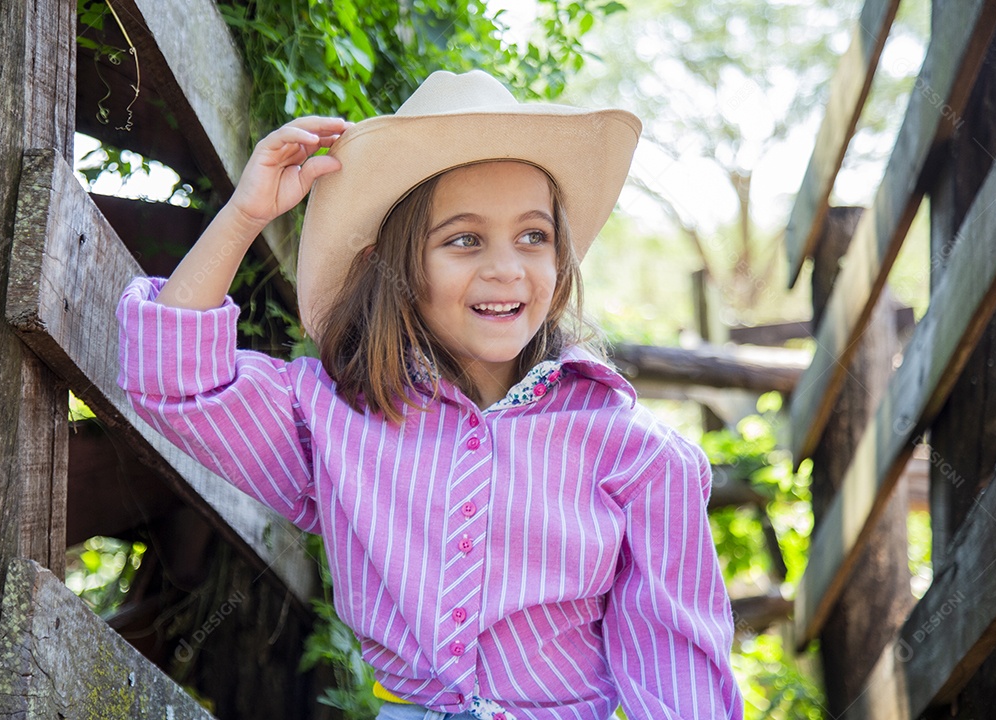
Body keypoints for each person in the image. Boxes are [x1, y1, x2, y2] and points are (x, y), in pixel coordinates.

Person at [117, 69, 744, 720]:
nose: (506, 267)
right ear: (400, 266)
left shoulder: (638, 455)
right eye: (464, 239)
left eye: (534, 235)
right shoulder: (332, 417)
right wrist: (246, 213)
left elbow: (680, 681)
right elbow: (173, 379)